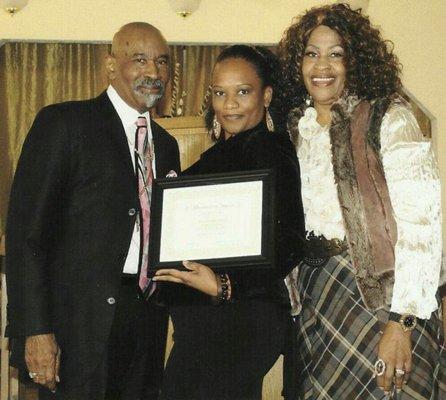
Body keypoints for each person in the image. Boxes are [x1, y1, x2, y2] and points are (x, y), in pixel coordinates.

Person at [5, 22, 180, 400]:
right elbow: (26, 235)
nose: (153, 72)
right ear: (111, 66)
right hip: (76, 331)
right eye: (140, 59)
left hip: (145, 324)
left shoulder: (166, 145)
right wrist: (36, 330)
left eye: (162, 63)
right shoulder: (65, 123)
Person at [278, 3, 445, 399]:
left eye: (336, 54)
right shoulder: (289, 128)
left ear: (355, 61)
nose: (323, 66)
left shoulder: (388, 116)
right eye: (312, 54)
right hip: (316, 298)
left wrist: (401, 322)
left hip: (381, 300)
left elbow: (423, 223)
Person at [152, 45, 305, 400]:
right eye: (220, 92)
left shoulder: (271, 150)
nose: (229, 104)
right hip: (208, 324)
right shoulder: (218, 155)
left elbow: (290, 241)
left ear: (266, 95)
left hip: (240, 320)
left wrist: (225, 284)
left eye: (243, 91)